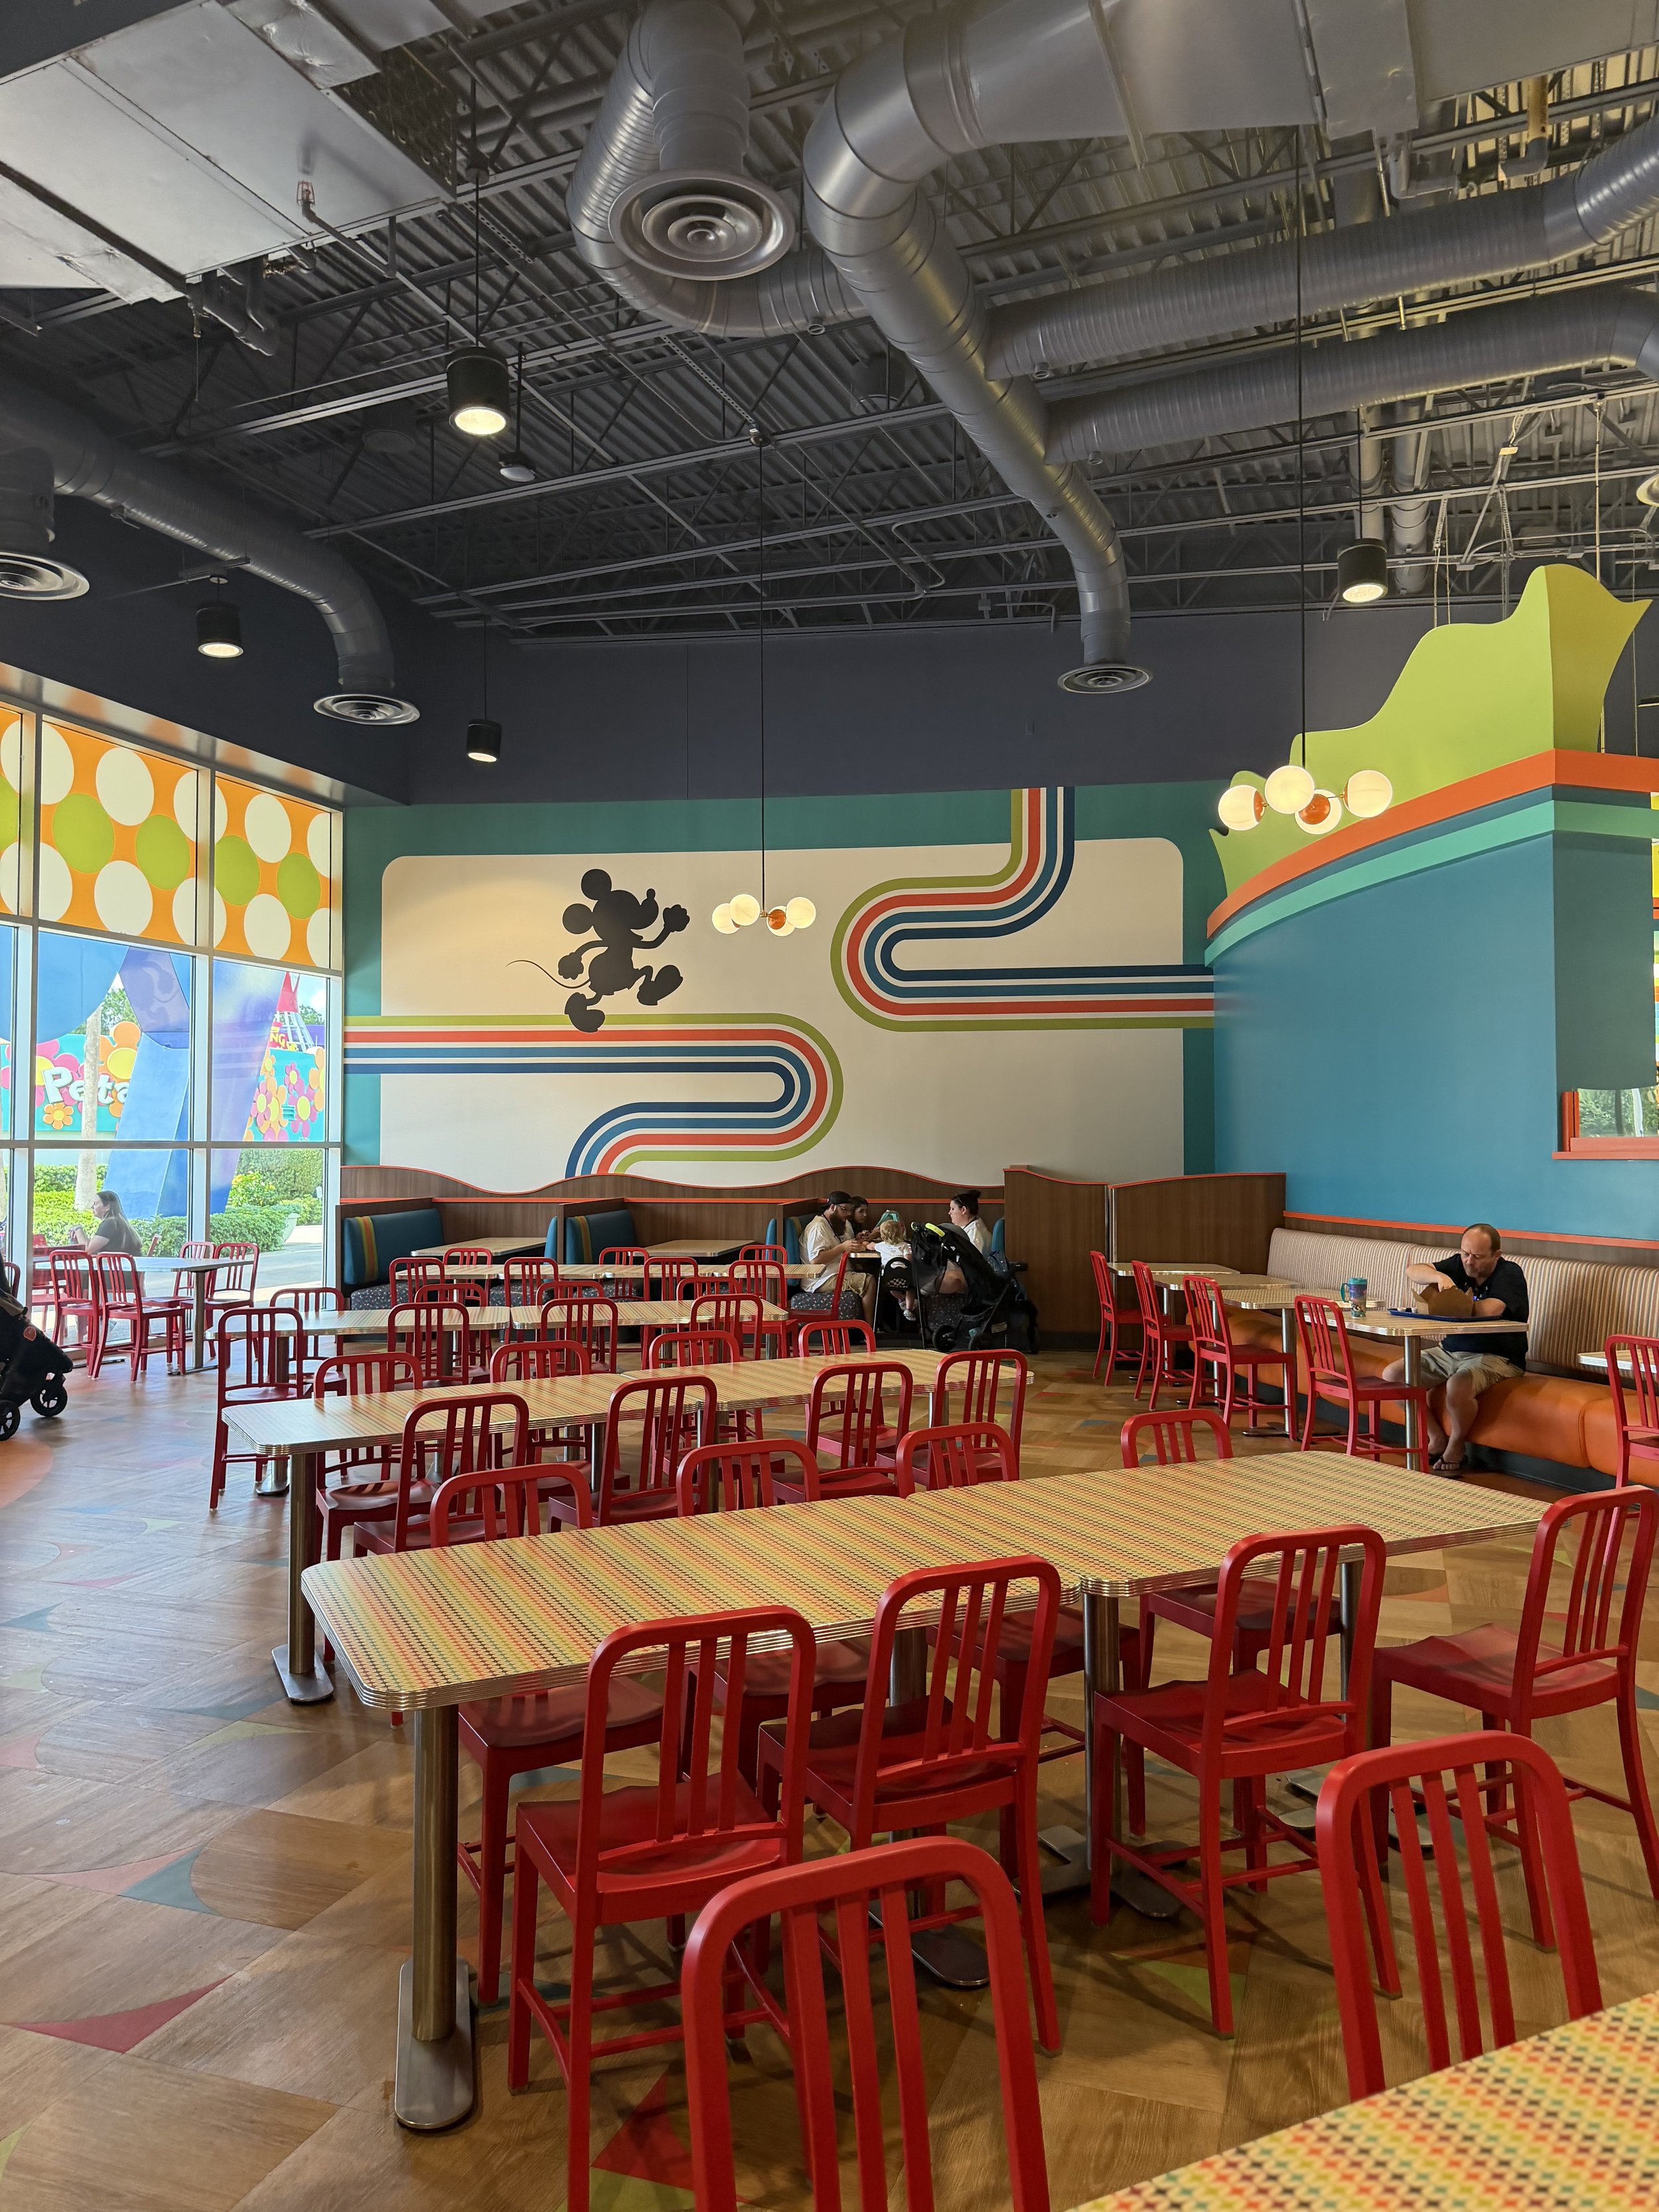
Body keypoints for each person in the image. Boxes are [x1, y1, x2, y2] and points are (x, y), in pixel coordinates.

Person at [1380, 1222, 1528, 1473]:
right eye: (1465, 1253)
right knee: (1393, 1376)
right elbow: (1412, 1271)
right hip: (1450, 1351)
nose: (1469, 1262)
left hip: (1498, 1356)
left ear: (1496, 1255)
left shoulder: (1509, 1274)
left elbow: (1491, 1310)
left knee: (1457, 1385)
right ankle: (1436, 1436)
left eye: (1478, 1257)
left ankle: (1457, 1446)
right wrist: (1439, 1277)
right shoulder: (1460, 1264)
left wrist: (1451, 1301)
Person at [790, 1192, 873, 1322]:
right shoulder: (818, 1227)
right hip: (821, 1280)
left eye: (850, 1211)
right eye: (845, 1210)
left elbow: (844, 1242)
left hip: (836, 1273)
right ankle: (870, 1329)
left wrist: (856, 1240)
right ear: (833, 1207)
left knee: (874, 1272)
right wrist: (842, 1247)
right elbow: (816, 1260)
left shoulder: (839, 1223)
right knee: (869, 1282)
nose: (848, 1214)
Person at [76, 1189, 142, 1259]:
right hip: (128, 1268)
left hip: (119, 1269)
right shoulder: (118, 1222)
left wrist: (78, 1229)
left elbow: (88, 1251)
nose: (92, 1207)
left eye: (95, 1204)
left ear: (107, 1207)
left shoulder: (109, 1224)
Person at [949, 1190, 993, 1255]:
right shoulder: (972, 1226)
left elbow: (974, 1262)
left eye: (953, 1209)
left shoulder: (975, 1236)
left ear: (963, 1210)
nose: (949, 1213)